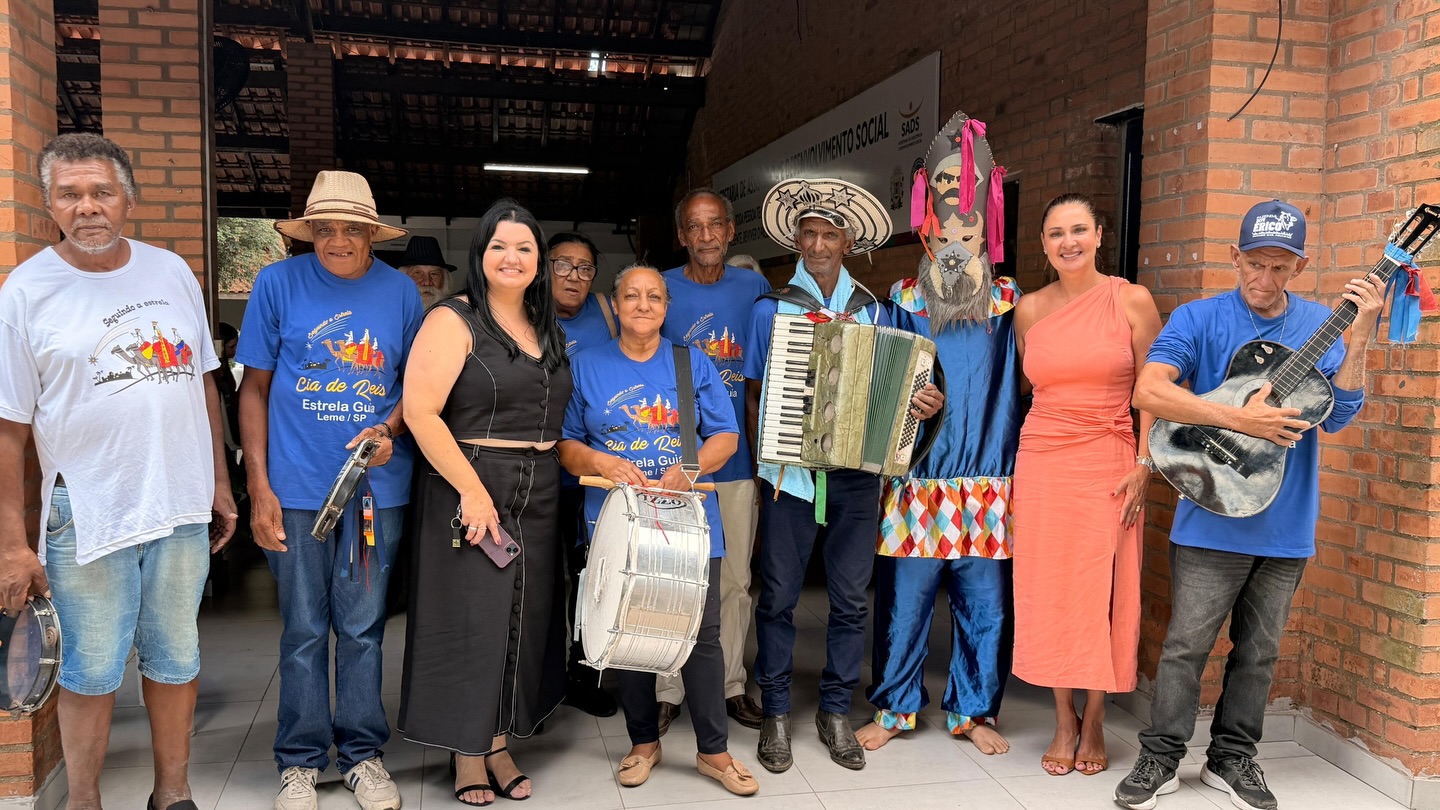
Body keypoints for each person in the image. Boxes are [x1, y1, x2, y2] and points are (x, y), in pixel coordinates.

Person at [1115, 200, 1384, 810]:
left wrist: (1362, 333)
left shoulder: (1319, 324)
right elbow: (1148, 390)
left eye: (1279, 267)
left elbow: (1338, 416)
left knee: (1259, 652)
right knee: (1186, 647)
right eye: (1254, 264)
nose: (1264, 279)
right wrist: (1239, 419)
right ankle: (1161, 757)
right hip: (1208, 513)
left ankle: (1232, 759)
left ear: (1300, 266)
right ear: (1234, 256)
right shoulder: (1199, 318)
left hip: (1286, 521)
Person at [0, 132, 236, 810]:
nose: (87, 207)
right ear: (49, 204)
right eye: (69, 195)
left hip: (179, 501)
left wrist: (220, 484)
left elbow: (202, 383)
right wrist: (13, 543)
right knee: (92, 666)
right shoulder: (26, 292)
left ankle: (173, 793)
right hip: (87, 509)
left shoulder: (171, 272)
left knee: (176, 656)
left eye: (101, 192)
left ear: (128, 200)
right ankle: (84, 800)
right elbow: (10, 429)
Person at [743, 177, 943, 773]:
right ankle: (776, 711)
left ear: (848, 242)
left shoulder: (875, 311)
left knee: (852, 601)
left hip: (857, 478)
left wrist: (923, 403)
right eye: (808, 234)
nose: (818, 244)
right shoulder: (771, 309)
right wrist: (765, 466)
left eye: (829, 235)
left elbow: (900, 390)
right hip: (790, 478)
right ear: (797, 241)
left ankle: (835, 711)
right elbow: (753, 394)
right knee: (778, 598)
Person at [237, 170, 421, 810]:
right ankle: (300, 760)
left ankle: (363, 755)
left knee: (363, 626)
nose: (337, 240)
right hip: (294, 486)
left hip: (376, 488)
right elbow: (254, 389)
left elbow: (417, 387)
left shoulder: (400, 292)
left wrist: (390, 428)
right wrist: (258, 487)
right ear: (309, 232)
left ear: (372, 233)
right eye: (324, 229)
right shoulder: (277, 283)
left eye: (351, 229)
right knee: (305, 627)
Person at [855, 110, 1019, 756]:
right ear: (926, 231)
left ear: (986, 233)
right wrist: (907, 402)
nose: (955, 241)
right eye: (944, 229)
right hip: (916, 483)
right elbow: (873, 392)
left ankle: (974, 712)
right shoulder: (900, 302)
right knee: (904, 605)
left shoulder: (1009, 305)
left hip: (987, 484)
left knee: (986, 608)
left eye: (968, 230)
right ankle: (895, 708)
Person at [558, 264, 758, 797]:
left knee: (702, 635)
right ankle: (644, 743)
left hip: (688, 521)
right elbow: (567, 445)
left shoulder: (690, 363)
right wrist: (601, 461)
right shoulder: (586, 365)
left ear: (666, 307)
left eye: (653, 296)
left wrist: (690, 469)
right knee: (630, 632)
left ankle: (714, 751)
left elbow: (726, 436)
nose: (643, 305)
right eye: (631, 296)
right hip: (616, 521)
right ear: (616, 305)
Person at [398, 199, 571, 806]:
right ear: (480, 253)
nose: (512, 257)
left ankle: (497, 743)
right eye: (499, 246)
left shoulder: (545, 324)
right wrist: (472, 491)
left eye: (524, 248)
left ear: (539, 260)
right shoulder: (453, 318)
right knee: (471, 621)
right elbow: (420, 412)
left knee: (522, 619)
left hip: (540, 485)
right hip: (473, 480)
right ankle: (467, 753)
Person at [1010, 193, 1162, 777]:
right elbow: (1027, 390)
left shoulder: (1131, 300)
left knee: (1103, 587)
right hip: (1043, 461)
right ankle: (1063, 718)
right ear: (1044, 244)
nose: (1068, 242)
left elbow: (1154, 390)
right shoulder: (1029, 309)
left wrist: (1145, 464)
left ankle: (1095, 715)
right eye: (1056, 233)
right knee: (1049, 586)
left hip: (1110, 459)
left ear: (1099, 235)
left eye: (1078, 230)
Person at [658, 189, 772, 732]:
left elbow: (765, 372)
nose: (706, 236)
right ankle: (667, 687)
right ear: (681, 235)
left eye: (715, 225)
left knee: (735, 581)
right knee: (672, 577)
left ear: (730, 231)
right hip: (671, 462)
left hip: (738, 461)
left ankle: (730, 684)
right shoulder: (660, 288)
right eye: (694, 227)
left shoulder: (754, 290)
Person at [548, 230, 620, 718]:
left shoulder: (608, 313)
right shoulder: (524, 313)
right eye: (563, 265)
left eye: (585, 267)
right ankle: (540, 678)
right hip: (540, 468)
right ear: (544, 268)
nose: (574, 276)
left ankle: (584, 671)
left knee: (593, 572)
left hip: (595, 470)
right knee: (544, 576)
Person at [398, 235, 455, 309]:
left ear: (445, 281)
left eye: (433, 274)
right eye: (417, 273)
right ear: (403, 278)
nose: (427, 282)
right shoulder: (391, 311)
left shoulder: (454, 313)